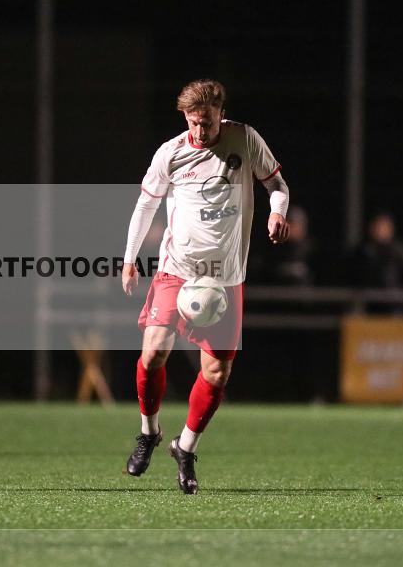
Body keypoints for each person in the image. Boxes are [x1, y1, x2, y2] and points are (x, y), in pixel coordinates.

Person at [121, 79, 290, 494]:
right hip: (178, 269)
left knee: (216, 372)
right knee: (153, 351)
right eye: (195, 122)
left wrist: (277, 212)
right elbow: (146, 204)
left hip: (225, 278)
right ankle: (149, 432)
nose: (201, 130)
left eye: (209, 122)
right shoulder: (171, 153)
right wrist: (129, 258)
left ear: (221, 114)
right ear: (185, 117)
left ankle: (185, 447)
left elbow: (277, 185)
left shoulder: (244, 139)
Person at [350, 211, 403, 313]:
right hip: (368, 303)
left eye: (383, 226)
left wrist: (402, 299)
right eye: (377, 226)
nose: (380, 230)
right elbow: (356, 276)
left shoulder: (400, 251)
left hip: (393, 304)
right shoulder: (363, 251)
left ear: (391, 229)